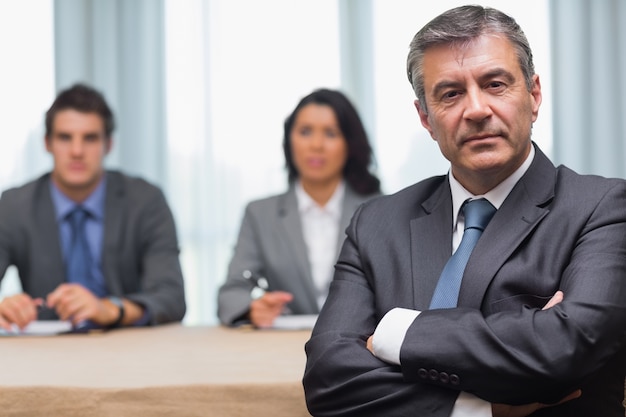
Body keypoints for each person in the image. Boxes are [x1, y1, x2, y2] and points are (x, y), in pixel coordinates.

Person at [303, 5, 626, 417]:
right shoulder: (375, 224)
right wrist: (483, 408)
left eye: (495, 84)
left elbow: (570, 347)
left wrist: (398, 332)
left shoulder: (603, 207)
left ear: (534, 94)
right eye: (451, 93)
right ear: (426, 118)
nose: (475, 109)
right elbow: (328, 381)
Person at [0, 83, 186, 332]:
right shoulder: (14, 206)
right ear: (47, 143)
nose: (77, 151)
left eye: (90, 138)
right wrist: (6, 308)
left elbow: (171, 297)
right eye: (65, 138)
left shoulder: (145, 201)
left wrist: (111, 309)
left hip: (127, 347)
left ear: (108, 145)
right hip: (44, 351)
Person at [218, 88, 382, 328]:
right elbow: (230, 294)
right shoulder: (260, 214)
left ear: (349, 144)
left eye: (330, 133)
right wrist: (253, 309)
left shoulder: (379, 209)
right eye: (305, 132)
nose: (316, 145)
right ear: (289, 140)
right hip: (281, 347)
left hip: (361, 344)